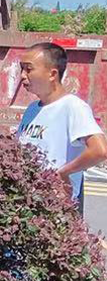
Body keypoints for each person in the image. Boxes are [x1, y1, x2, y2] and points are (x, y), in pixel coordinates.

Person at [17, 42, 107, 208]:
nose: (22, 75)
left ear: (52, 74)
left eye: (29, 69)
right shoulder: (32, 109)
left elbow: (99, 150)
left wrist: (63, 173)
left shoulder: (72, 106)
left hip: (57, 206)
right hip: (28, 203)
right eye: (21, 69)